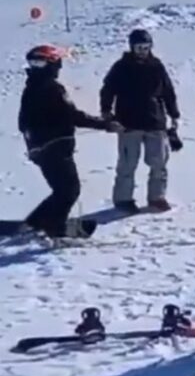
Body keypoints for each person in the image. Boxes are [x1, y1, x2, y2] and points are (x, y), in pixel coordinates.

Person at [18, 44, 123, 238]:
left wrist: (32, 145)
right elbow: (73, 116)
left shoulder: (31, 87)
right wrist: (106, 125)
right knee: (69, 190)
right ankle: (55, 226)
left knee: (62, 189)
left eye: (39, 62)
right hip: (55, 147)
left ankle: (37, 221)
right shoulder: (51, 88)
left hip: (42, 148)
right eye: (34, 63)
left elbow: (23, 123)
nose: (36, 67)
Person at [99, 28, 179, 213]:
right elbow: (108, 90)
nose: (143, 50)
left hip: (155, 122)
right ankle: (123, 200)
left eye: (146, 47)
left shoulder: (157, 66)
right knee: (127, 164)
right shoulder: (121, 67)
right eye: (139, 47)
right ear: (132, 47)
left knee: (159, 163)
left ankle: (157, 197)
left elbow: (168, 92)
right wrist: (106, 112)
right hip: (128, 124)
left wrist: (174, 115)